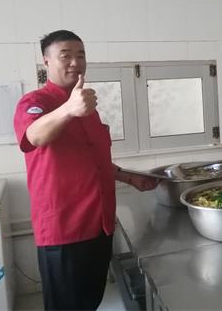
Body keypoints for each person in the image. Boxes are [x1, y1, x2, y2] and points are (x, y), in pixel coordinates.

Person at [13, 30, 158, 310]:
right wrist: (68, 109)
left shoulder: (88, 109)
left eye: (81, 55)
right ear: (46, 61)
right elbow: (34, 136)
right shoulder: (35, 103)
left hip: (99, 224)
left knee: (90, 301)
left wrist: (129, 177)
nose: (75, 62)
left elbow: (95, 161)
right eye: (65, 56)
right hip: (64, 230)